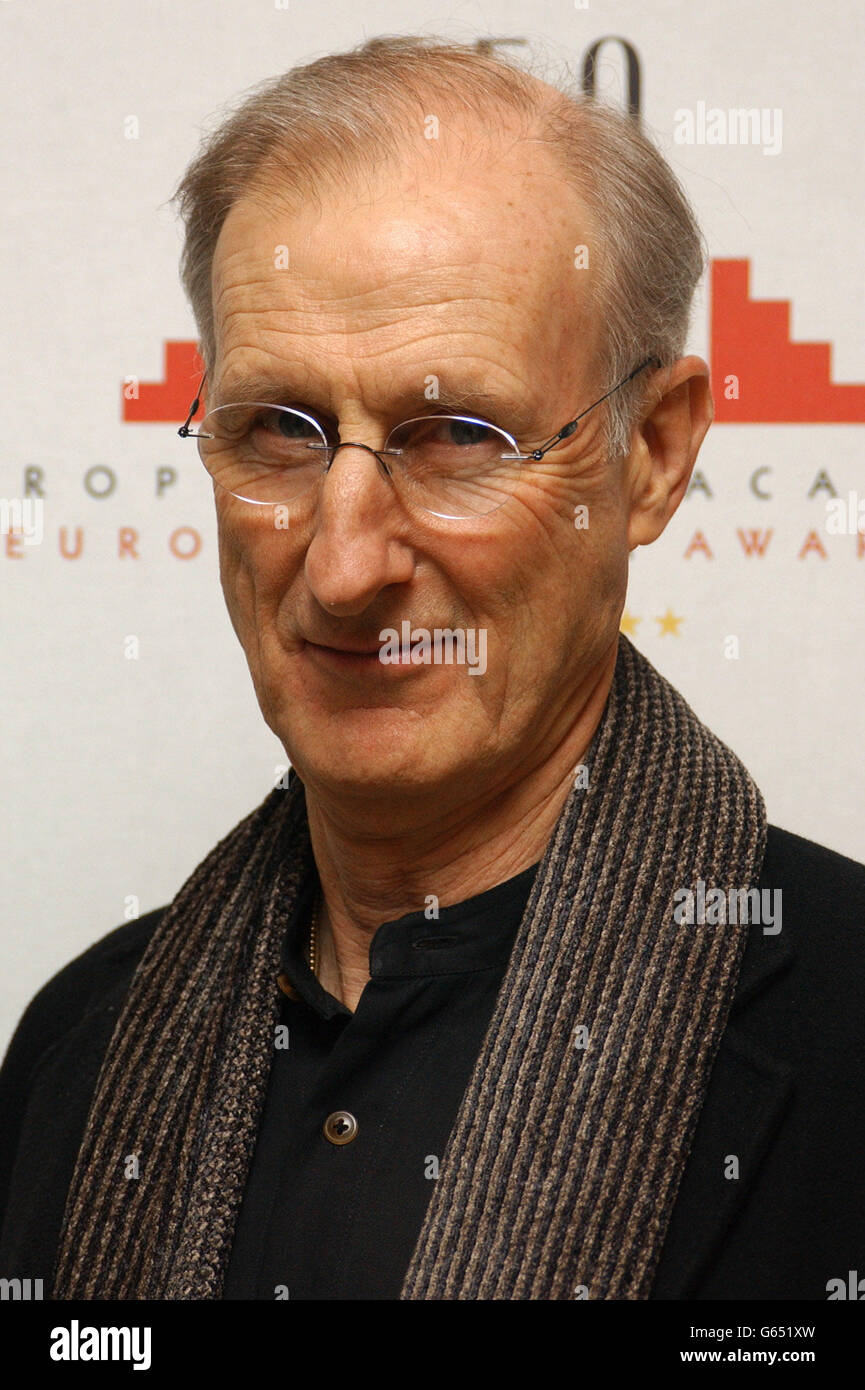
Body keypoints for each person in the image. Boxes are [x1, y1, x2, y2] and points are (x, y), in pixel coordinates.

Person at [1, 35, 863, 1302]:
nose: (343, 568)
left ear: (655, 453)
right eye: (278, 431)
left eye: (458, 435)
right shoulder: (77, 1050)